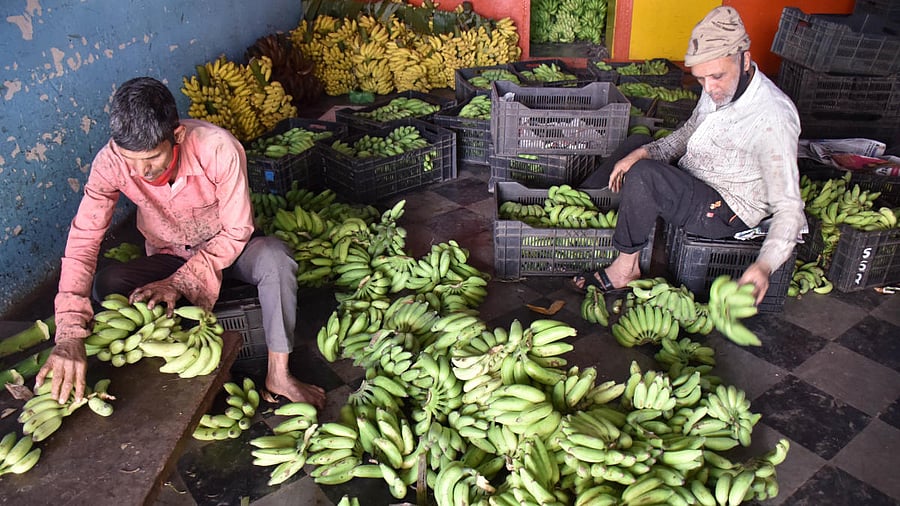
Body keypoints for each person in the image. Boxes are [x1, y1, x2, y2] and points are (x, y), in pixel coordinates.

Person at [36, 77, 326, 409]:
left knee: (277, 258)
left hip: (232, 249)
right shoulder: (112, 162)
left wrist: (182, 281)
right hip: (169, 253)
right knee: (109, 283)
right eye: (131, 160)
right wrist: (70, 332)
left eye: (151, 159)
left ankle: (279, 373)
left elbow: (237, 230)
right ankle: (177, 358)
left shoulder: (218, 148)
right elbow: (83, 241)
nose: (141, 171)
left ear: (177, 136)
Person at [574, 6, 806, 305]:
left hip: (724, 209)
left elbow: (790, 208)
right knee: (635, 142)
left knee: (644, 175)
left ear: (745, 59)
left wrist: (764, 265)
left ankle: (624, 269)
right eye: (701, 80)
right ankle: (583, 204)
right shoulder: (720, 88)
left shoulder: (773, 116)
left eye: (717, 76)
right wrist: (644, 151)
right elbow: (690, 130)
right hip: (696, 178)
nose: (709, 88)